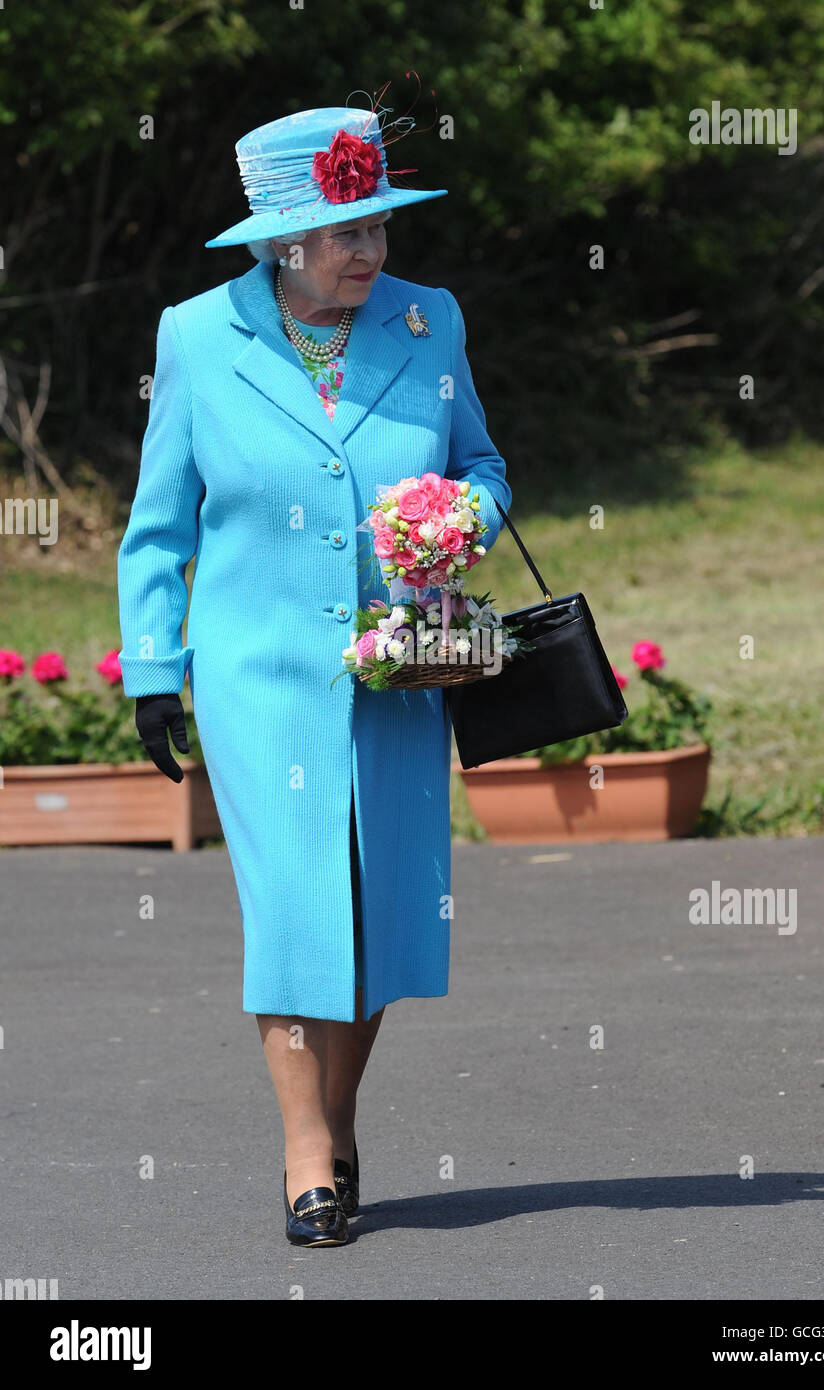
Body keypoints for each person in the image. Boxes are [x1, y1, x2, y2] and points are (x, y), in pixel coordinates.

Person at [116, 104, 511, 1248]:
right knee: (293, 907)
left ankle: (331, 1120)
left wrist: (463, 513)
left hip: (401, 666)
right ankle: (305, 1158)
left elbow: (483, 463)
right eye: (341, 233)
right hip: (260, 672)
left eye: (377, 225)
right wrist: (155, 667)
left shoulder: (431, 323)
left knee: (378, 908)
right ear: (276, 240)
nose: (368, 251)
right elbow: (157, 527)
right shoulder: (196, 337)